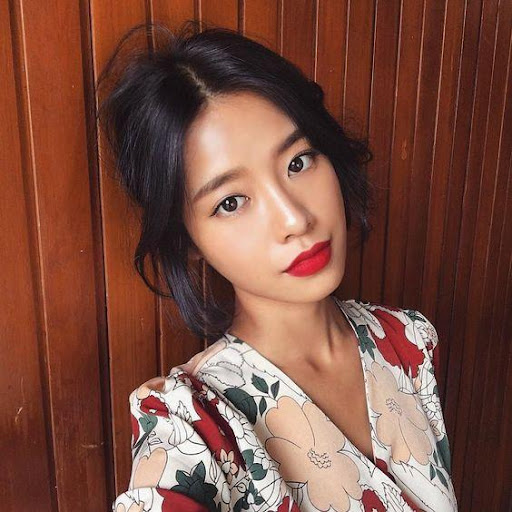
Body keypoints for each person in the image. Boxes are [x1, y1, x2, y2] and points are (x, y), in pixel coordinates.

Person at [97, 20, 458, 512]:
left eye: (298, 162)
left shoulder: (408, 340)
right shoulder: (194, 424)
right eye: (231, 202)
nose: (295, 219)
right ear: (186, 240)